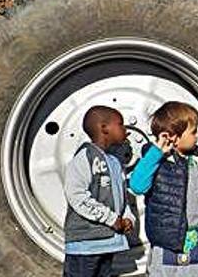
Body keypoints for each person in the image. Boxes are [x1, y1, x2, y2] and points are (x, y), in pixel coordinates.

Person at [129, 102, 198, 276]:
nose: (197, 135)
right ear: (173, 137)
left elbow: (193, 191)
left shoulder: (194, 160)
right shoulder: (158, 162)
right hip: (172, 244)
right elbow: (137, 185)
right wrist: (156, 153)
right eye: (193, 132)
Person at [63, 105, 136, 277]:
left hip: (107, 243)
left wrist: (127, 217)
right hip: (85, 245)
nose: (125, 130)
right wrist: (111, 219)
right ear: (104, 128)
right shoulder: (84, 157)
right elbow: (77, 196)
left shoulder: (114, 162)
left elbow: (121, 196)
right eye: (120, 124)